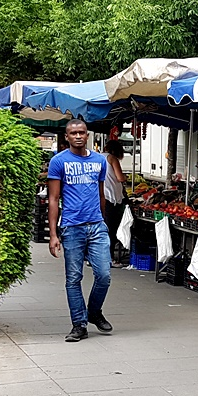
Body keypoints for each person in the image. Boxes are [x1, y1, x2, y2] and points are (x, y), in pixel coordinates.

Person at [47, 119, 113, 342]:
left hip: (96, 226)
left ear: (87, 135)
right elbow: (54, 199)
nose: (77, 136)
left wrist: (103, 221)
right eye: (73, 133)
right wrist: (53, 234)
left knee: (104, 274)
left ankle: (94, 312)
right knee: (73, 278)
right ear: (67, 136)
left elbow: (101, 194)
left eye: (81, 133)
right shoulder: (58, 162)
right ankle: (79, 324)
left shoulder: (99, 161)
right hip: (72, 227)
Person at [102, 139, 128, 267]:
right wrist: (125, 178)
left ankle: (94, 258)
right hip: (110, 198)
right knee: (110, 230)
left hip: (98, 198)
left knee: (99, 229)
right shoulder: (112, 159)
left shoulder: (97, 157)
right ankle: (109, 258)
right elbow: (120, 177)